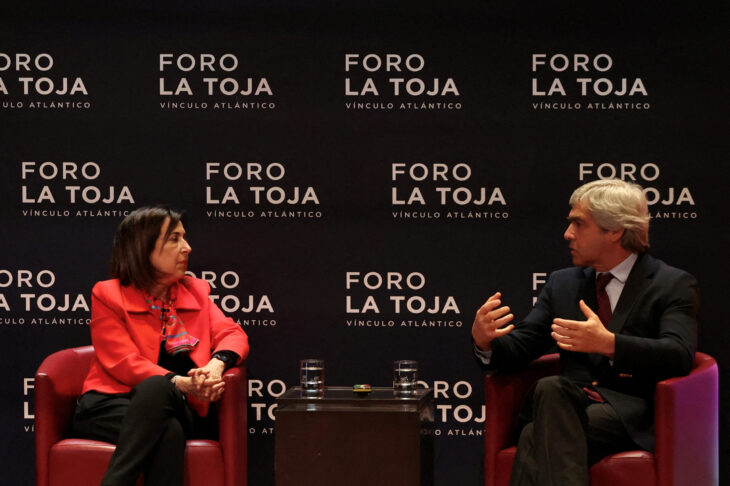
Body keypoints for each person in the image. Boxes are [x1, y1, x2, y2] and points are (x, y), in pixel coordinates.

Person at [471, 179, 698, 486]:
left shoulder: (671, 284)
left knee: (535, 431)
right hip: (566, 402)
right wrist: (485, 342)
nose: (568, 234)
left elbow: (678, 354)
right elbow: (523, 346)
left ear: (614, 230)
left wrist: (610, 344)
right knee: (551, 389)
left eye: (578, 224)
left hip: (628, 413)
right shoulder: (563, 283)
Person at [72, 206, 249, 486]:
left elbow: (232, 334)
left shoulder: (194, 292)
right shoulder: (108, 294)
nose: (187, 247)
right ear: (143, 247)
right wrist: (182, 383)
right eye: (174, 239)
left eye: (184, 238)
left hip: (180, 406)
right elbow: (123, 361)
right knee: (168, 429)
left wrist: (215, 366)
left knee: (159, 392)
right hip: (108, 407)